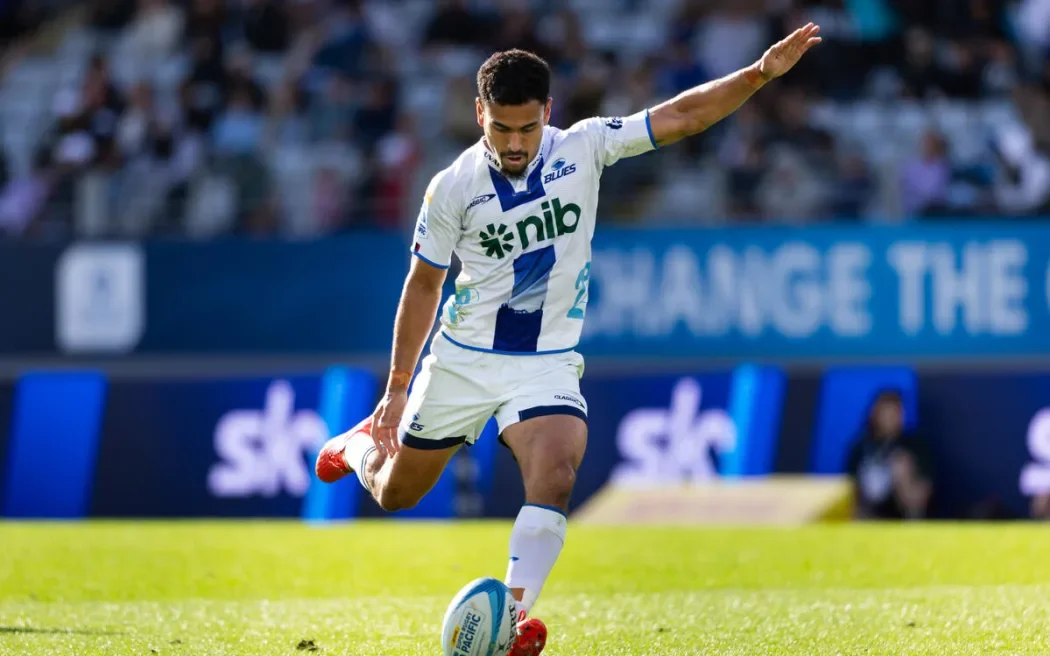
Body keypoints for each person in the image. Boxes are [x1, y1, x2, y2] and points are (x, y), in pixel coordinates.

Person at [316, 24, 822, 656]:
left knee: (556, 469)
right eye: (500, 128)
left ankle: (515, 620)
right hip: (463, 360)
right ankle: (359, 446)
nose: (514, 142)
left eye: (527, 128)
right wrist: (394, 390)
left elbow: (685, 117)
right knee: (396, 492)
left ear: (547, 114)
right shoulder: (452, 187)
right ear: (480, 114)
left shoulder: (584, 146)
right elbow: (423, 286)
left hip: (547, 361)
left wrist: (760, 74)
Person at [845, 389, 934, 521]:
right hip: (867, 521)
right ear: (875, 414)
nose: (890, 418)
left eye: (895, 412)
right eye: (886, 412)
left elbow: (919, 503)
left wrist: (904, 481)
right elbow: (849, 494)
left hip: (903, 520)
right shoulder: (861, 448)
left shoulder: (916, 447)